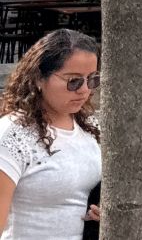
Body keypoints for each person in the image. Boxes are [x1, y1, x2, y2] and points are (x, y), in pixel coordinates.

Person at [0, 29, 102, 239]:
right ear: (39, 77)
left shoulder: (88, 126)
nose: (85, 90)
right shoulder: (12, 135)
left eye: (92, 79)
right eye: (73, 81)